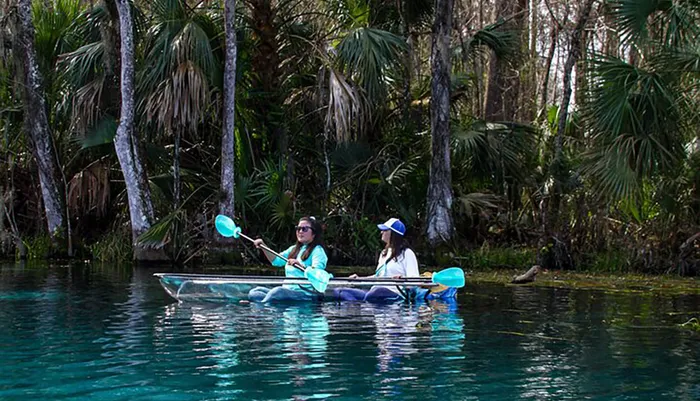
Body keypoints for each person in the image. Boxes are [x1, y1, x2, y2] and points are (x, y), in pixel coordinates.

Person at [333, 218, 420, 303]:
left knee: (376, 292)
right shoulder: (384, 253)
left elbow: (414, 280)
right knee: (339, 292)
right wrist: (359, 279)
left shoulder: (407, 253)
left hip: (395, 293)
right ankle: (358, 307)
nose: (381, 232)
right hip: (374, 293)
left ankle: (364, 305)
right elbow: (378, 277)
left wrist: (402, 279)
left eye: (385, 230)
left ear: (393, 234)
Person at [248, 216, 329, 302]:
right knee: (255, 292)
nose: (300, 232)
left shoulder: (318, 251)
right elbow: (276, 261)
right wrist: (263, 246)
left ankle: (261, 305)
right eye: (298, 229)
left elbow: (318, 274)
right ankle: (265, 302)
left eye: (304, 229)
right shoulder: (294, 249)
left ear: (314, 233)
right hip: (286, 291)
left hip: (306, 293)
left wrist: (301, 266)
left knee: (278, 292)